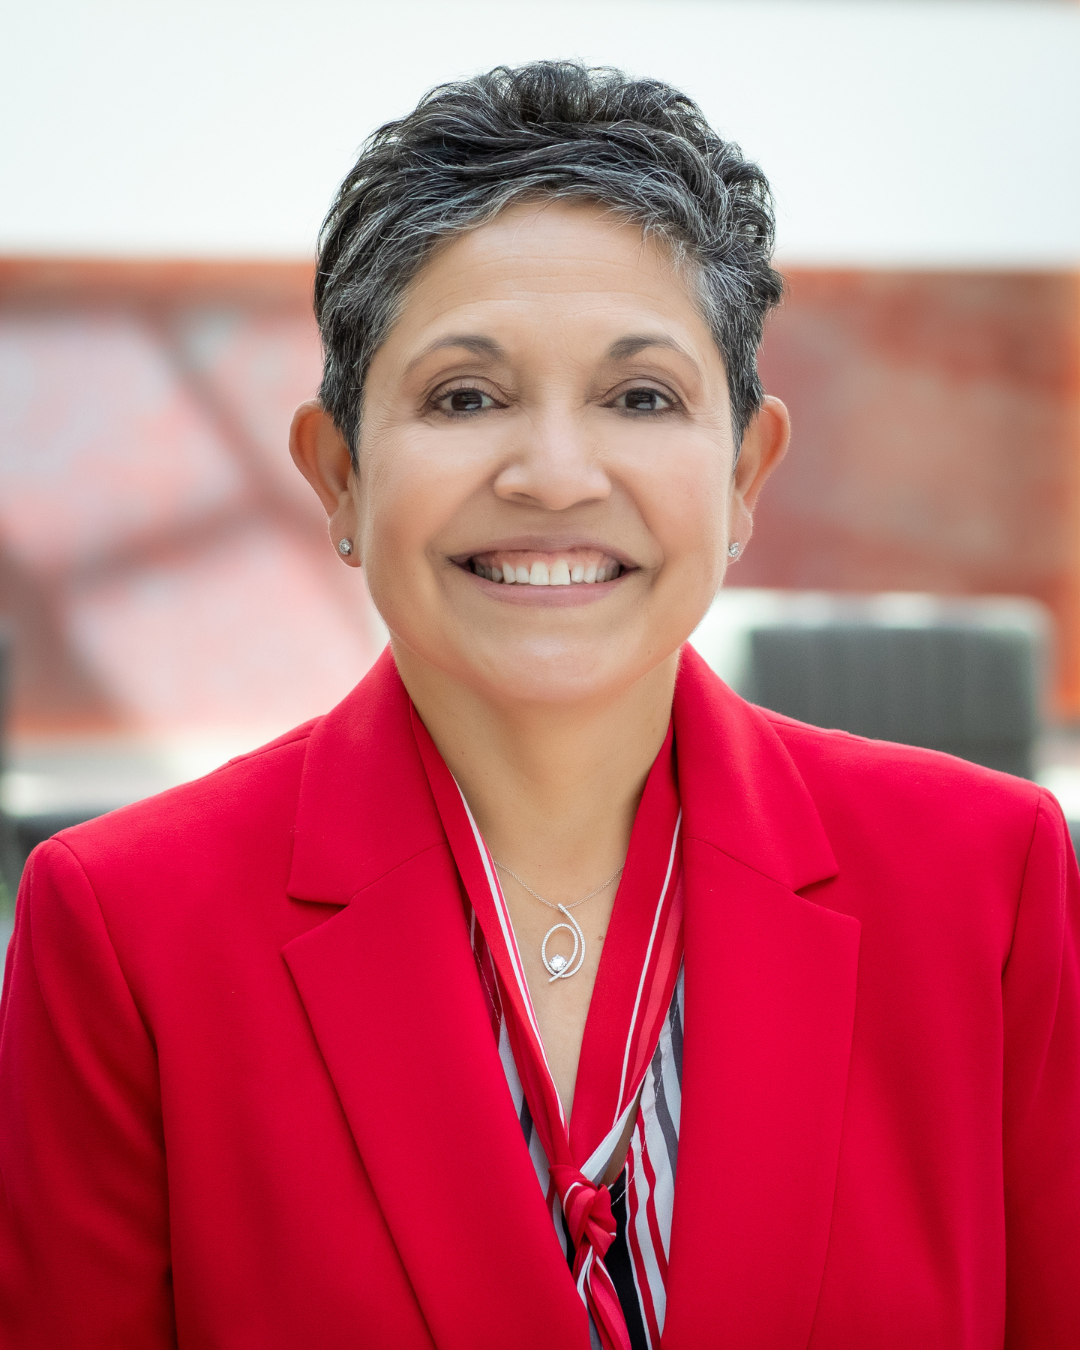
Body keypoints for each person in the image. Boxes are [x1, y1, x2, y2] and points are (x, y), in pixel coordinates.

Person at [1, 61, 1077, 1350]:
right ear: (339, 474)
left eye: (640, 397)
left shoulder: (986, 885)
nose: (556, 476)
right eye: (466, 395)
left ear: (745, 474)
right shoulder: (125, 934)